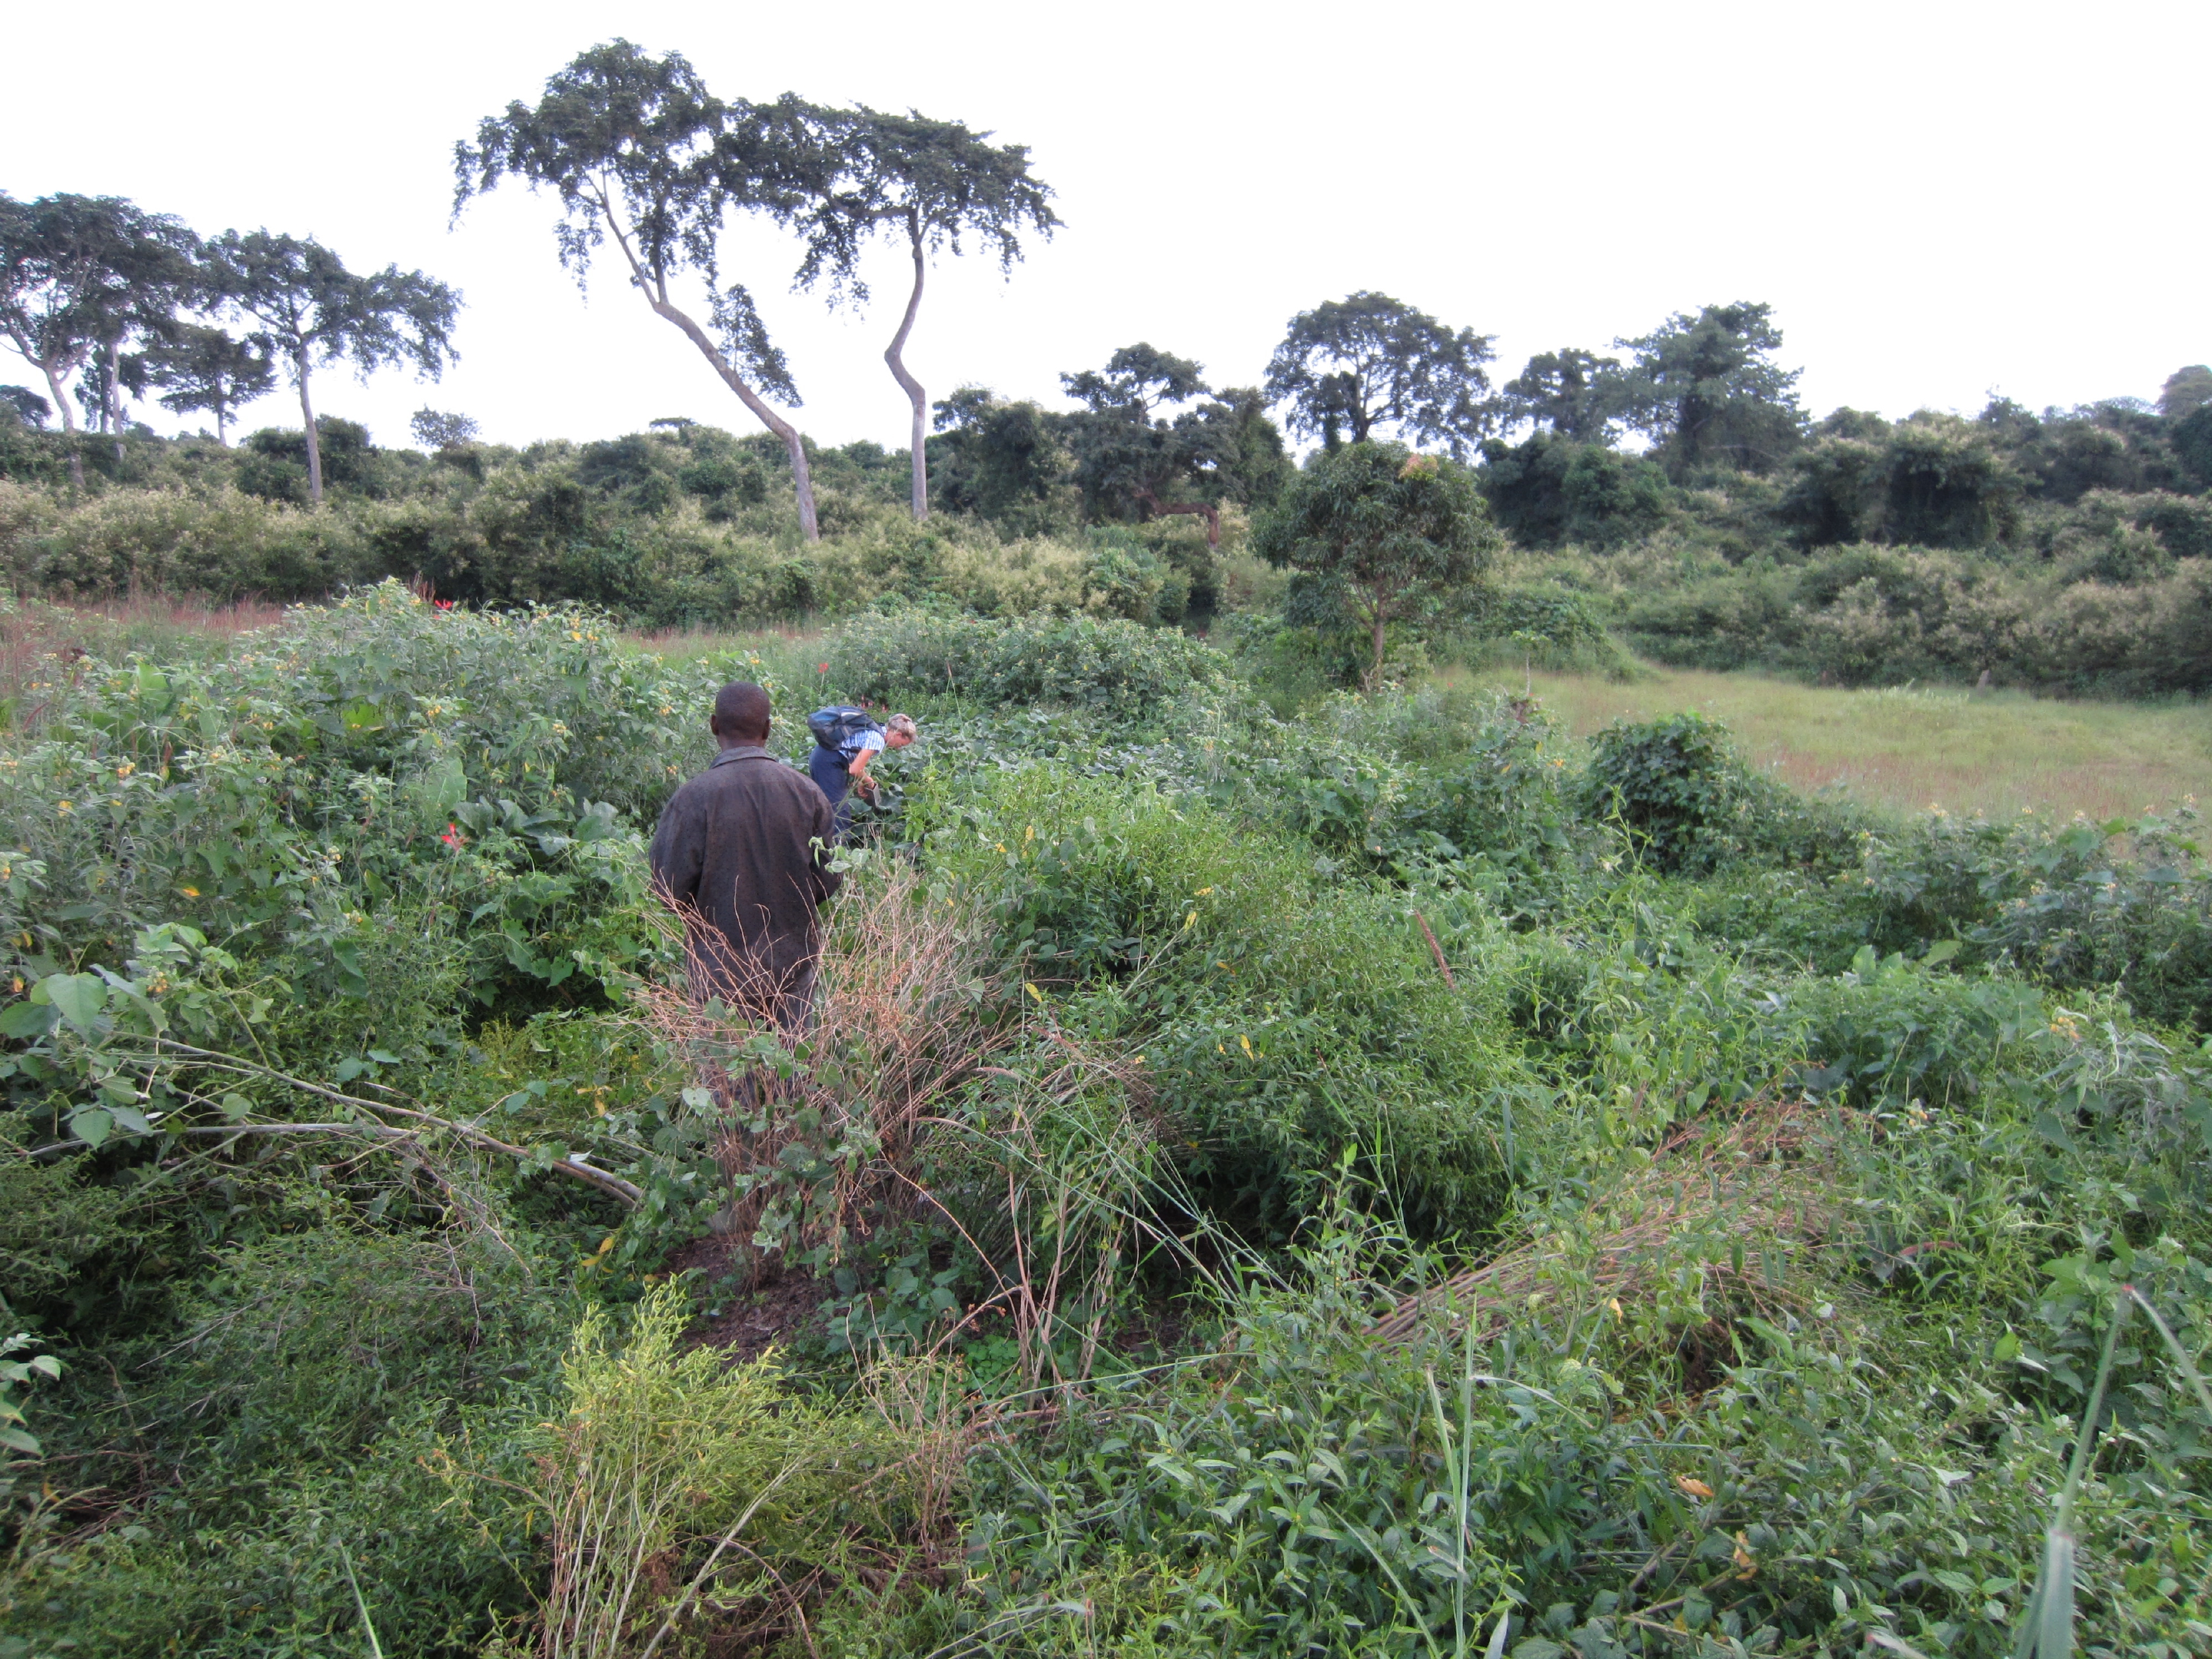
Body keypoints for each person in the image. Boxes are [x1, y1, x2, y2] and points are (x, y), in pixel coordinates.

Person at [649, 682, 841, 1030]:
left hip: (719, 969)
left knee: (729, 1080)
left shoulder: (692, 799)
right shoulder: (807, 793)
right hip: (793, 960)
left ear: (714, 726)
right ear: (768, 730)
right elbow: (829, 879)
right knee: (793, 1071)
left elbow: (667, 891)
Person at [807, 709, 916, 841]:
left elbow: (855, 758)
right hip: (828, 762)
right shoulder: (878, 740)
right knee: (839, 813)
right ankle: (835, 854)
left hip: (823, 757)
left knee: (824, 806)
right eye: (901, 744)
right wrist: (868, 780)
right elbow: (854, 769)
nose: (898, 748)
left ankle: (816, 843)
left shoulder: (875, 730)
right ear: (898, 734)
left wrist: (861, 782)